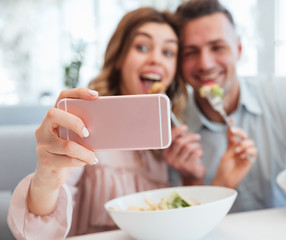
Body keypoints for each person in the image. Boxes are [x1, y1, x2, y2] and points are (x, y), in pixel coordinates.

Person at [7, 7, 198, 239]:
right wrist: (47, 179)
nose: (156, 59)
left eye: (168, 52)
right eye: (142, 47)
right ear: (119, 59)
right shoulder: (84, 125)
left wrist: (192, 177)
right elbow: (36, 234)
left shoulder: (168, 139)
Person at [164, 0, 286, 213]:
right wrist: (198, 181)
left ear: (238, 49)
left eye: (217, 47)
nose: (205, 64)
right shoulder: (172, 129)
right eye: (191, 52)